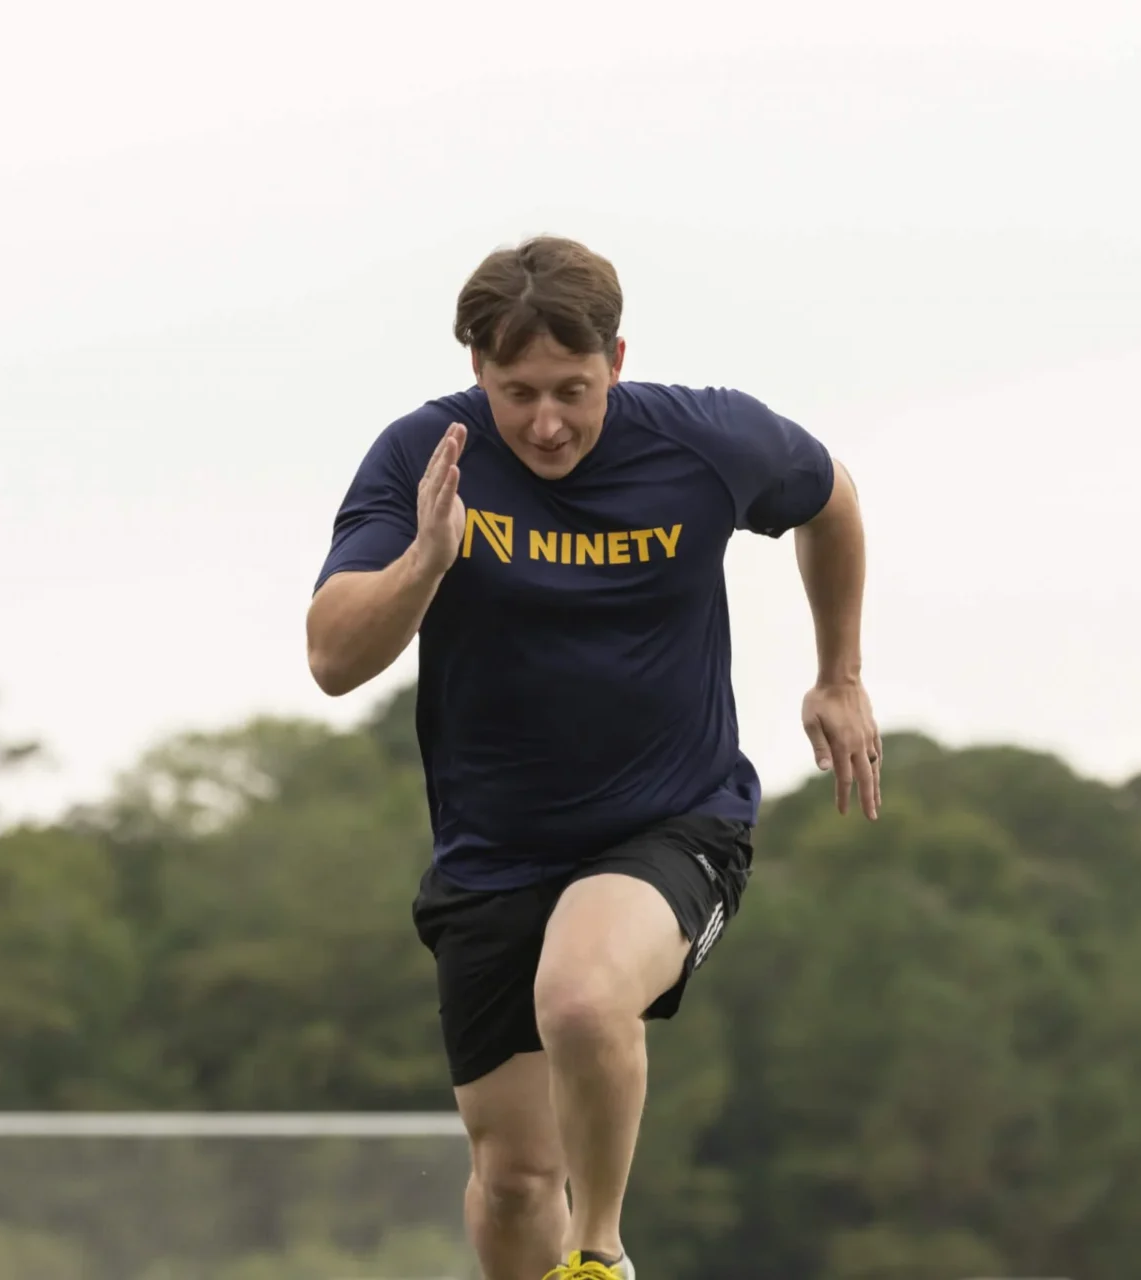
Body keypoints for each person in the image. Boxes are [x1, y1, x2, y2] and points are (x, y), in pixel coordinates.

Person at [307, 236, 879, 1280]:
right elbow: (334, 657)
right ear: (476, 370)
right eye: (517, 392)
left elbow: (830, 498)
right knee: (519, 1176)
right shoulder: (424, 457)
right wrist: (427, 558)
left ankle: (600, 1253)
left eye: (573, 388)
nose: (547, 421)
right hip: (494, 853)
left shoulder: (705, 439)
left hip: (672, 819)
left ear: (617, 358)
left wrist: (839, 672)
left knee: (578, 995)